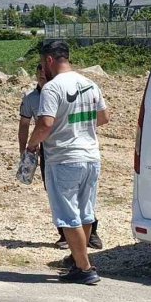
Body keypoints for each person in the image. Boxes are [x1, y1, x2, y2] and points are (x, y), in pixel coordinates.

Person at [27, 41, 110, 285]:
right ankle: (77, 260)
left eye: (42, 63)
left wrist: (31, 145)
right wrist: (79, 126)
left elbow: (45, 124)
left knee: (68, 215)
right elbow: (104, 117)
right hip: (91, 157)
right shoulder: (90, 84)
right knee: (85, 213)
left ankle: (84, 269)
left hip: (64, 158)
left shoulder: (52, 88)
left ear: (49, 60)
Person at [19, 64, 103, 250]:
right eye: (38, 72)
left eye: (44, 71)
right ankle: (67, 238)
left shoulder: (59, 90)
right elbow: (24, 125)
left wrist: (76, 129)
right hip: (51, 151)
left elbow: (47, 124)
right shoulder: (31, 99)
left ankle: (88, 240)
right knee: (60, 195)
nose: (42, 75)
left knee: (79, 200)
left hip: (68, 151)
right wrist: (24, 151)